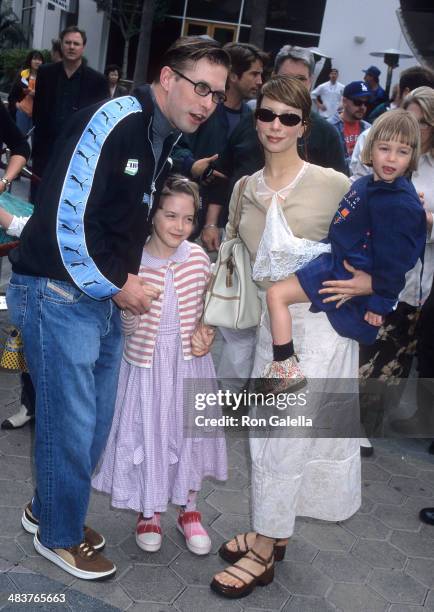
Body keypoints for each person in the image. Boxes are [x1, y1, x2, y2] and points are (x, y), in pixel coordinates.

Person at [7, 36, 230, 581]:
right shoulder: (116, 120)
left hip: (101, 298)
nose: (207, 101)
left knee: (92, 426)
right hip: (60, 294)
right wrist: (120, 285)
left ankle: (47, 510)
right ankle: (60, 536)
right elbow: (65, 220)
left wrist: (121, 286)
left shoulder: (162, 136)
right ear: (168, 78)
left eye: (218, 95)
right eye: (200, 87)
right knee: (72, 425)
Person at [208, 75, 364, 599]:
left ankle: (264, 550)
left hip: (319, 332)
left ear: (304, 125)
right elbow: (231, 256)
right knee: (268, 437)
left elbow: (383, 235)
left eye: (288, 118)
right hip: (265, 332)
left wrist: (371, 282)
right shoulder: (243, 188)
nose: (276, 126)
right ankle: (272, 531)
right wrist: (207, 318)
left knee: (287, 439)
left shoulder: (334, 183)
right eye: (267, 115)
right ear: (256, 120)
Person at [92, 175, 227, 555]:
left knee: (190, 436)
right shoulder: (133, 263)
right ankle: (149, 511)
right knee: (149, 433)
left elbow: (212, 305)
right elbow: (127, 325)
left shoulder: (198, 258)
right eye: (171, 216)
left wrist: (208, 328)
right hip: (147, 368)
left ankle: (190, 508)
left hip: (190, 366)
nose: (179, 227)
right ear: (152, 214)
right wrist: (132, 307)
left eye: (188, 219)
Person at [258, 109, 425, 393]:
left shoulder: (401, 203)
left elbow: (398, 260)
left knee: (276, 295)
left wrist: (380, 302)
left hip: (342, 271)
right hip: (333, 259)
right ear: (370, 147)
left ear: (412, 156)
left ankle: (284, 370)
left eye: (402, 151)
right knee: (276, 295)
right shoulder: (367, 183)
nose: (392, 158)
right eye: (385, 148)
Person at [30, 26, 108, 200]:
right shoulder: (45, 73)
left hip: (78, 154)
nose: (71, 47)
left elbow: (101, 121)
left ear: (83, 47)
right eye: (68, 43)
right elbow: (38, 111)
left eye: (76, 43)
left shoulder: (97, 81)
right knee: (38, 200)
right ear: (61, 45)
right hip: (45, 152)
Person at [329, 80, 371, 173]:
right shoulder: (329, 127)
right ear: (344, 101)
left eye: (366, 103)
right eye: (357, 102)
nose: (362, 107)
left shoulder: (369, 129)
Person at [8, 50, 44, 136]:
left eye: (40, 59)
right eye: (35, 59)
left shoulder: (45, 76)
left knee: (36, 142)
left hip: (37, 114)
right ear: (30, 60)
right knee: (20, 138)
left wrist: (37, 94)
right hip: (23, 111)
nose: (37, 62)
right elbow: (12, 95)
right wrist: (17, 105)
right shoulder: (23, 75)